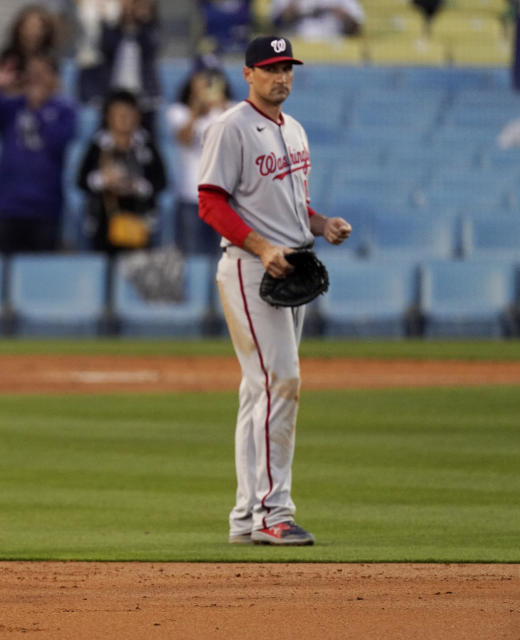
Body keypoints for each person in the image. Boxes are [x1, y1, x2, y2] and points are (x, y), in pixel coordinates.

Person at [195, 36, 351, 545]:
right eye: (270, 68)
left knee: (258, 389)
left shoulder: (297, 131)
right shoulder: (231, 127)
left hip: (292, 263)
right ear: (248, 74)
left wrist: (322, 223)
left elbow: (291, 205)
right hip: (248, 267)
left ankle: (246, 517)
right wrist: (261, 247)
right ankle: (272, 513)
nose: (280, 76)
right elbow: (211, 204)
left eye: (287, 68)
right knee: (282, 380)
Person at [0, 55, 77, 253]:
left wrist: (37, 108)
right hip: (8, 204)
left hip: (45, 206)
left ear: (55, 77)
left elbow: (58, 142)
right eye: (32, 72)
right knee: (4, 272)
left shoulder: (65, 110)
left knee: (40, 272)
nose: (35, 78)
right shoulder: (13, 107)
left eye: (42, 73)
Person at [76, 89, 166, 254]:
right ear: (108, 117)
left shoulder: (146, 145)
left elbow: (161, 182)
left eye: (128, 114)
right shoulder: (98, 145)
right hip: (104, 222)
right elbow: (81, 181)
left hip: (138, 220)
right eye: (118, 114)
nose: (123, 119)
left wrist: (137, 186)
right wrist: (103, 180)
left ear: (137, 117)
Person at [166, 58, 232, 255]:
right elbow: (184, 139)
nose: (208, 83)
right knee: (190, 260)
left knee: (226, 263)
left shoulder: (234, 109)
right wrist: (196, 108)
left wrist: (221, 106)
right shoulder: (179, 112)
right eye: (202, 77)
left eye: (213, 78)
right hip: (190, 198)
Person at [75, 0, 162, 132]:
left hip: (143, 95)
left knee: (148, 131)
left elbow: (150, 47)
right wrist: (117, 19)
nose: (129, 8)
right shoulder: (110, 29)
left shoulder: (149, 28)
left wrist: (141, 20)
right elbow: (105, 47)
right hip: (113, 93)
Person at [0, 3, 62, 96]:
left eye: (38, 27)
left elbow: (55, 89)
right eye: (28, 26)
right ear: (19, 28)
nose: (32, 31)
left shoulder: (49, 59)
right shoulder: (9, 56)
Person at [270, 0, 363, 39]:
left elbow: (356, 26)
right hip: (296, 48)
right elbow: (275, 23)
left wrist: (341, 13)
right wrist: (295, 8)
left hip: (332, 52)